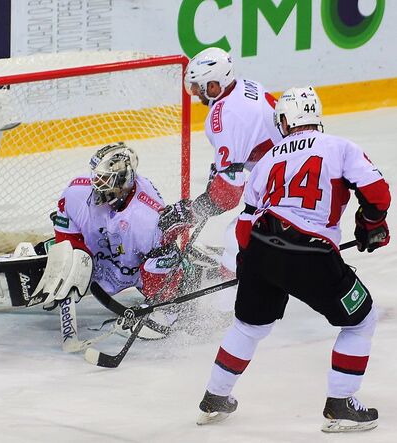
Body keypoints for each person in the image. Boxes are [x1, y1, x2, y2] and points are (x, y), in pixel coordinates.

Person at [196, 87, 390, 432]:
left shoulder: (268, 158)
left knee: (249, 327)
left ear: (284, 120)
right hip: (309, 252)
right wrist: (371, 225)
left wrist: (249, 265)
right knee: (361, 320)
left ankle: (214, 398)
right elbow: (377, 194)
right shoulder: (340, 147)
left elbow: (244, 223)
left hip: (259, 245)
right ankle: (341, 404)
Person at [45, 142, 195, 340]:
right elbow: (66, 232)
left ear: (124, 179)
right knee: (61, 252)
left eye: (106, 179)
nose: (98, 184)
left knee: (160, 258)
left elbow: (165, 248)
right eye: (97, 176)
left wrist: (192, 214)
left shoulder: (146, 217)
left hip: (134, 265)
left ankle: (167, 310)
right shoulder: (77, 194)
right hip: (103, 257)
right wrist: (69, 262)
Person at [165, 47, 282, 276]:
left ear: (214, 85)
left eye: (199, 86)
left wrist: (194, 211)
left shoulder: (224, 118)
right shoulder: (247, 85)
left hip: (284, 181)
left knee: (235, 238)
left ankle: (226, 308)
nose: (196, 93)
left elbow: (229, 193)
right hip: (290, 169)